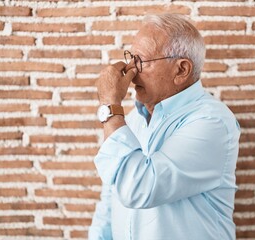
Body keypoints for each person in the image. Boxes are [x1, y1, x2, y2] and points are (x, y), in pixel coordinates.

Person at [89, 14, 240, 240]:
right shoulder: (131, 120)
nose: (131, 71)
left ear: (181, 70)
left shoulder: (212, 122)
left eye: (141, 61)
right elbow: (111, 195)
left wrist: (110, 105)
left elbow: (138, 188)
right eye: (130, 58)